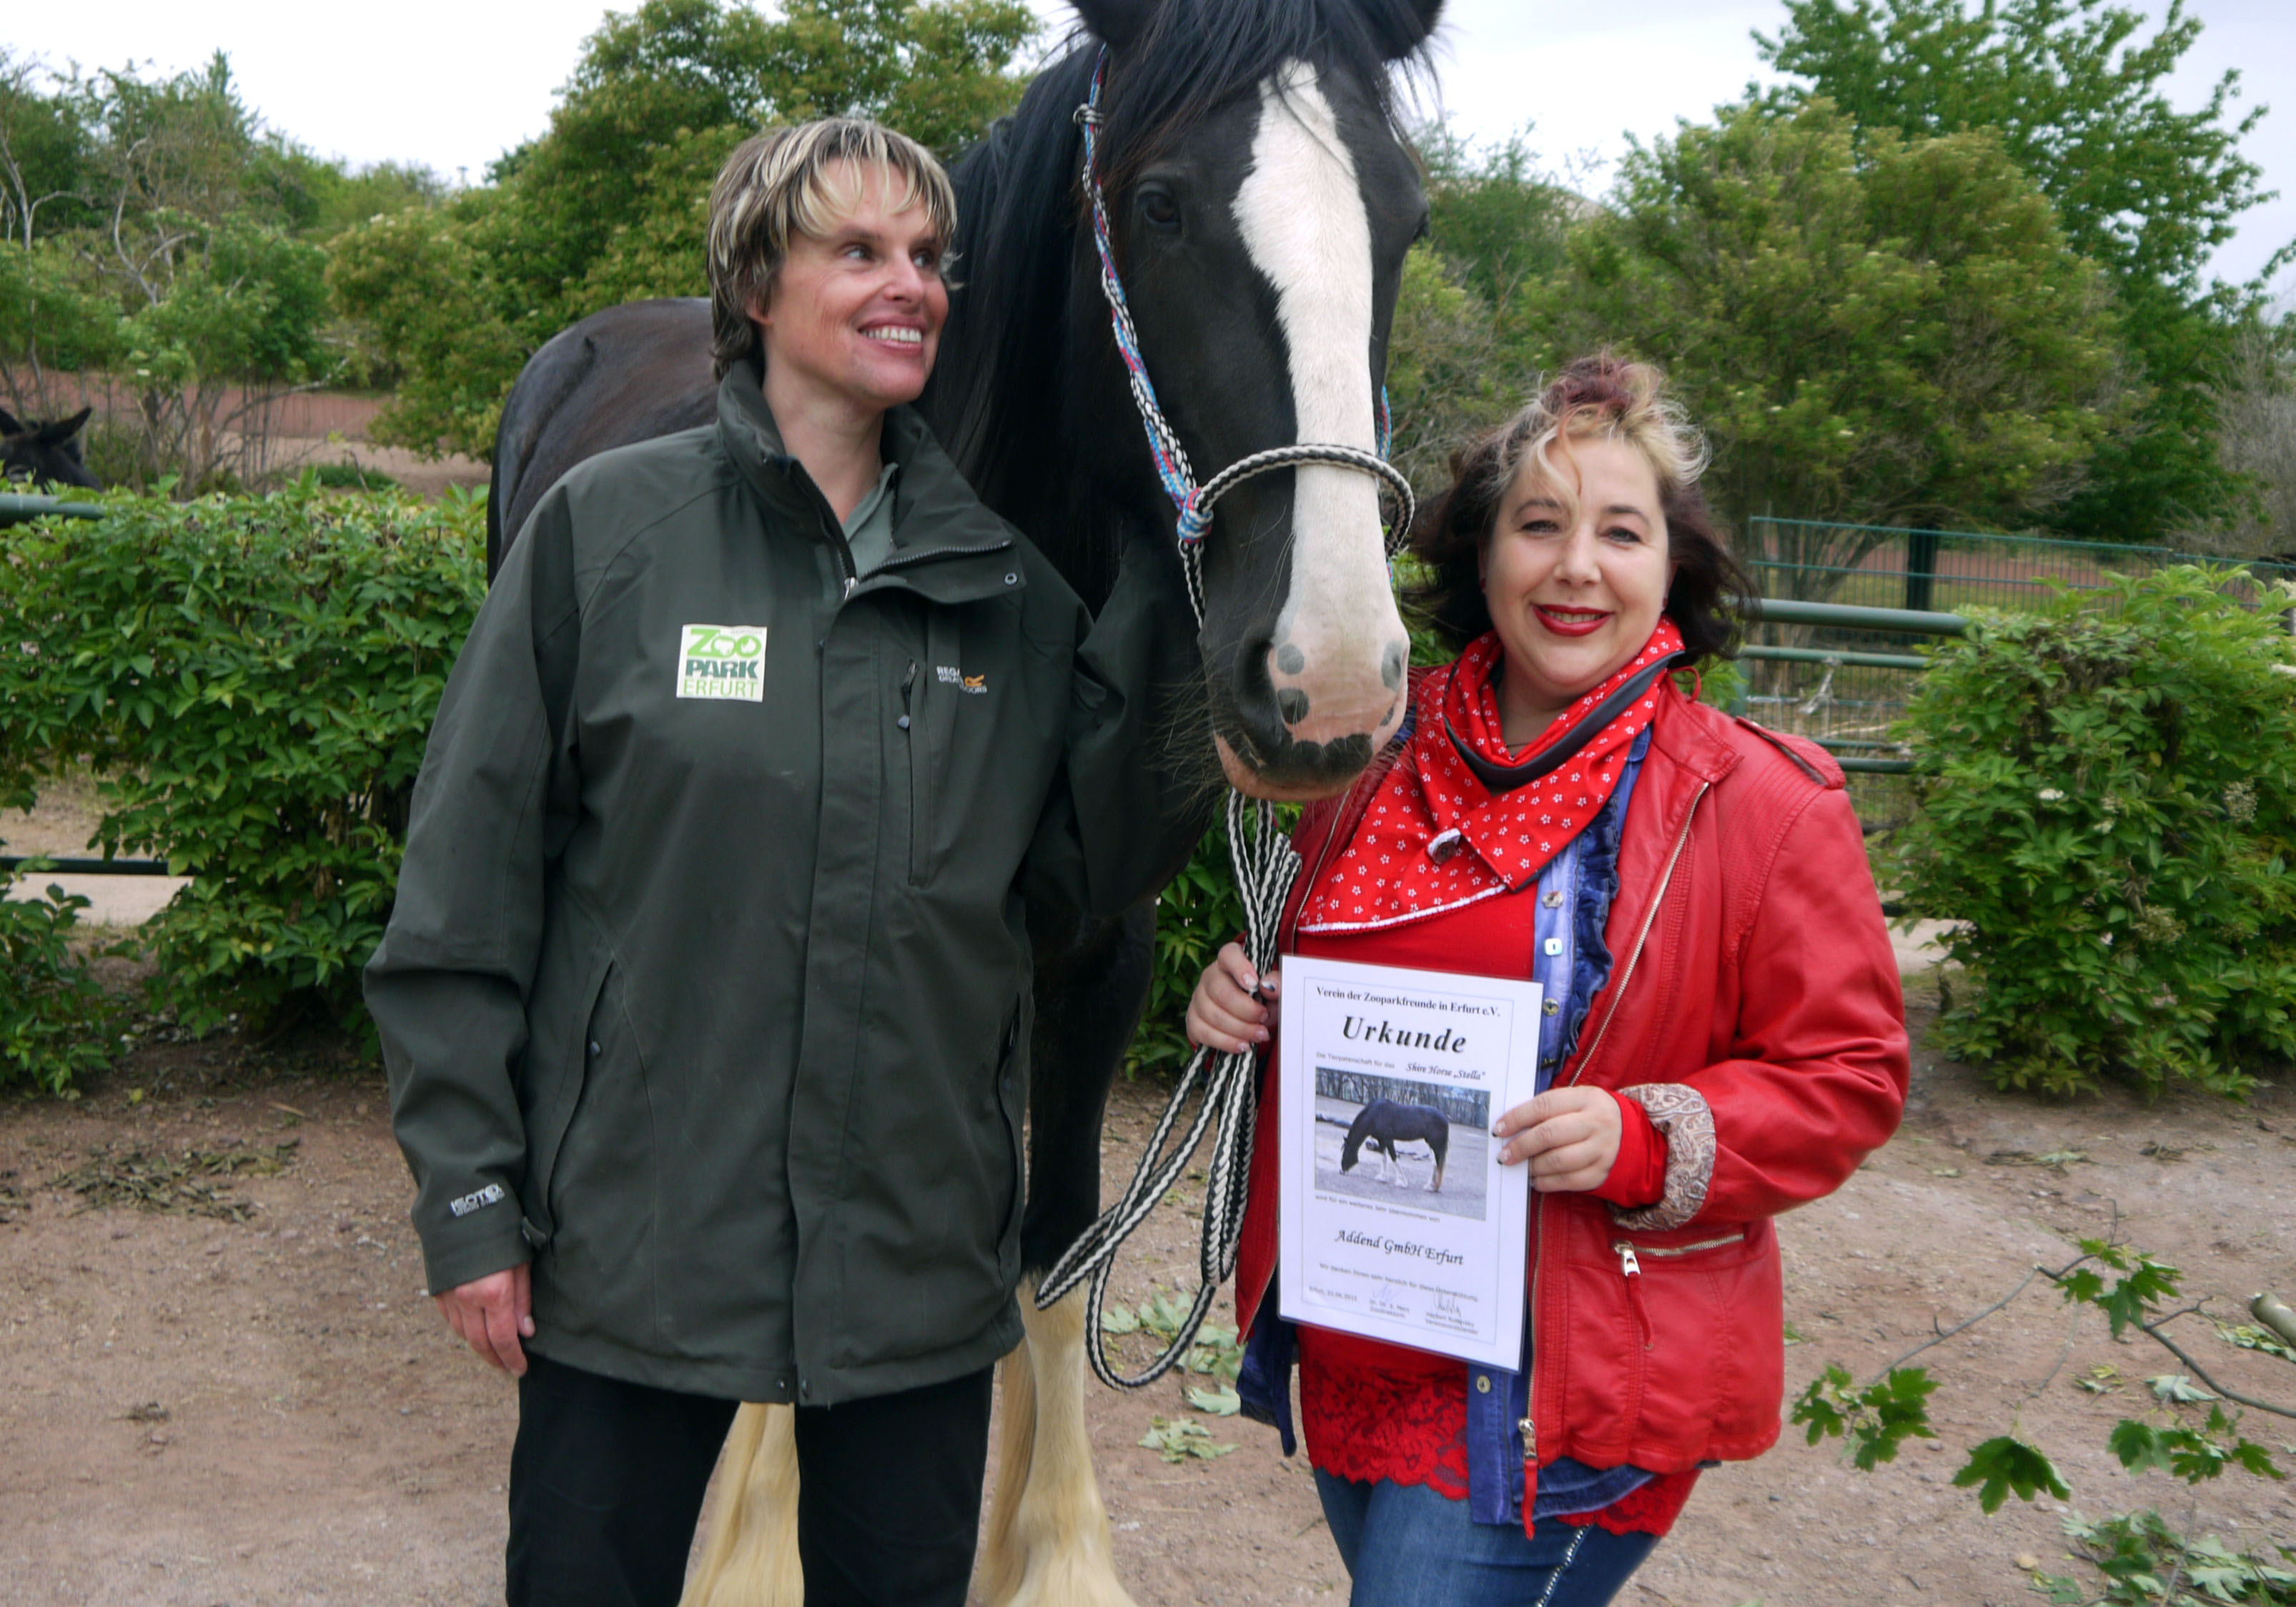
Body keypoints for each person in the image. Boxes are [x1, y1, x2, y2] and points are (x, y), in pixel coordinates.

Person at [365, 120, 1204, 1607]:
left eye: (931, 258)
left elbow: (1078, 888)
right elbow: (462, 894)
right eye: (860, 251)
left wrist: (1174, 589)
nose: (913, 287)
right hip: (629, 1255)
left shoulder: (1008, 593)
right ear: (755, 282)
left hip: (914, 1283)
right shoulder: (607, 536)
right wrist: (471, 1199)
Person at [1188, 357, 1911, 1606]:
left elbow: (1848, 1079)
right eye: (1540, 525)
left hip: (1557, 1392)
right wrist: (1247, 998)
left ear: (1669, 567)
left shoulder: (1762, 805)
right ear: (1483, 560)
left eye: (1620, 532)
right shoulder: (1368, 759)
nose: (1577, 567)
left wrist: (1647, 1135)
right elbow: (1328, 993)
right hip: (1362, 1347)